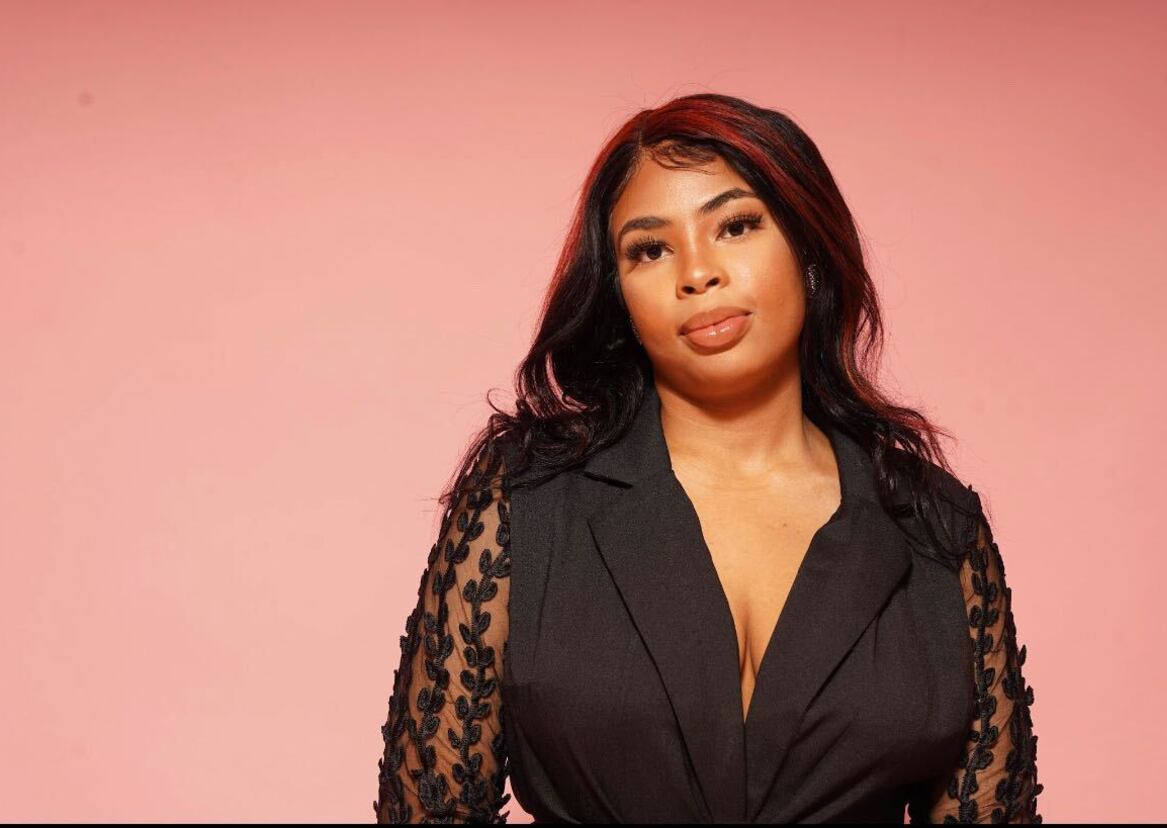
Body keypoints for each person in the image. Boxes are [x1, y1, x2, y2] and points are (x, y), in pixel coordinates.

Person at [373, 93, 1042, 823]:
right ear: (620, 294)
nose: (698, 273)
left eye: (736, 225)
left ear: (809, 248)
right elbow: (427, 813)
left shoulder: (936, 531)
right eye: (650, 249)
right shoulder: (526, 504)